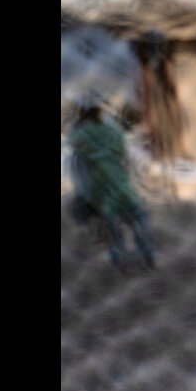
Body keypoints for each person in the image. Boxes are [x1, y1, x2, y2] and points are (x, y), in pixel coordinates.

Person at [69, 96, 156, 271]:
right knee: (137, 218)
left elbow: (78, 161)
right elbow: (128, 157)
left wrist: (86, 193)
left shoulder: (80, 133)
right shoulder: (114, 130)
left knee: (112, 225)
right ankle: (146, 253)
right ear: (101, 112)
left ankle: (119, 257)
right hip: (121, 182)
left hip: (101, 186)